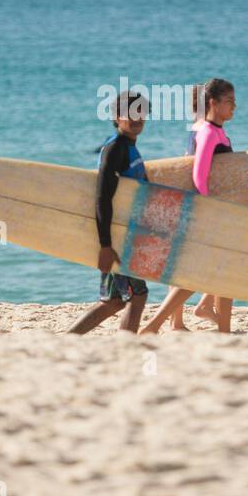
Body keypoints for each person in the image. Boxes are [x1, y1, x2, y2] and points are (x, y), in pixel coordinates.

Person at [141, 78, 238, 334]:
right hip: (205, 210)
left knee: (201, 268)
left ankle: (182, 320)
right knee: (212, 270)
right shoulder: (208, 132)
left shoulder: (202, 128)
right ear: (213, 103)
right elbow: (198, 174)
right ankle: (161, 323)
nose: (234, 106)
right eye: (229, 101)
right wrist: (206, 207)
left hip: (198, 207)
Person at [67, 91, 152, 334]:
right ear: (117, 116)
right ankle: (127, 348)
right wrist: (105, 244)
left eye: (142, 113)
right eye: (131, 113)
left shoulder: (128, 147)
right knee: (138, 296)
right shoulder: (116, 149)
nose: (138, 118)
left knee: (114, 301)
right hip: (117, 237)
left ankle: (66, 340)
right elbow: (102, 196)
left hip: (122, 235)